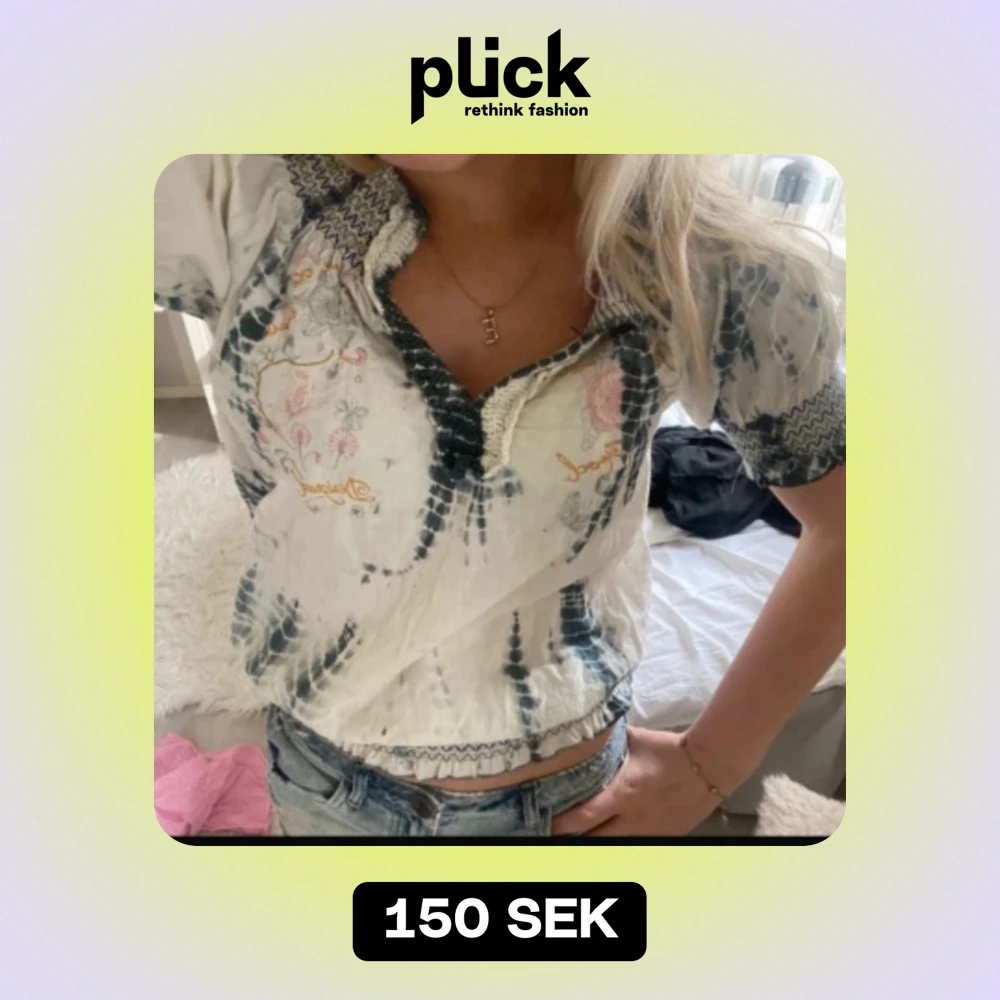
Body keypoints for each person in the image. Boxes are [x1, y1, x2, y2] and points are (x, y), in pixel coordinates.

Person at [153, 153, 846, 837]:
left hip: (570, 806)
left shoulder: (709, 262)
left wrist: (713, 764)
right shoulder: (226, 190)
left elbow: (853, 527)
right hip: (319, 788)